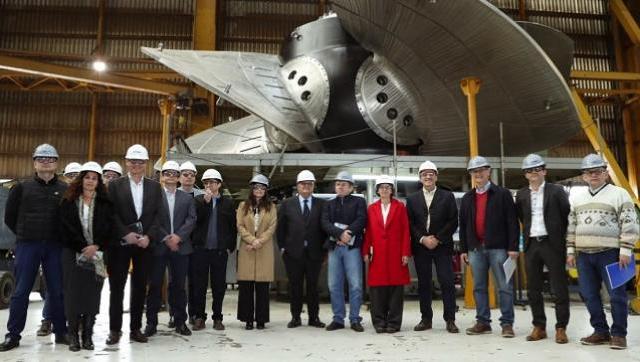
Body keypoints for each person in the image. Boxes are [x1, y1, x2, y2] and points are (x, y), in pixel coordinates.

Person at [566, 154, 639, 350]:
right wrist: (571, 250)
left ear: (606, 173)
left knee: (617, 295)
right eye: (589, 172)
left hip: (612, 253)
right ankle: (600, 331)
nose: (594, 175)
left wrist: (626, 249)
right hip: (584, 255)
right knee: (589, 295)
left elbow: (630, 222)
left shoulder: (619, 194)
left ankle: (619, 334)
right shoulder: (577, 198)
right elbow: (571, 225)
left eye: (598, 171)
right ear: (584, 176)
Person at [1, 144, 68, 352]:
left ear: (56, 163)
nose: (45, 162)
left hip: (54, 247)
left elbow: (67, 220)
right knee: (20, 292)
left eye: (50, 159)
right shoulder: (21, 188)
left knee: (57, 291)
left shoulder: (65, 190)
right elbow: (10, 217)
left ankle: (61, 332)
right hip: (28, 245)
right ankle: (13, 335)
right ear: (34, 163)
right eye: (41, 159)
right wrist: (25, 234)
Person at [106, 144, 164, 344]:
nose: (136, 165)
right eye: (133, 161)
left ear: (146, 164)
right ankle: (114, 330)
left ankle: (135, 329)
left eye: (140, 162)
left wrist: (149, 236)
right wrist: (126, 234)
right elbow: (110, 214)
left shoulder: (155, 187)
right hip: (121, 245)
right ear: (127, 162)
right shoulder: (114, 185)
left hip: (145, 246)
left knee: (140, 287)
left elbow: (159, 216)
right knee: (117, 287)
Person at [459, 156, 519, 338]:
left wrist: (513, 247)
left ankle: (507, 323)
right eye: (474, 171)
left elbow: (512, 222)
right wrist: (463, 249)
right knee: (479, 287)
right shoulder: (468, 198)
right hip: (475, 249)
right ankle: (483, 322)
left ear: (488, 172)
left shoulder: (502, 194)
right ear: (471, 174)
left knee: (505, 286)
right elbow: (464, 225)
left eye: (481, 170)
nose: (478, 174)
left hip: (499, 248)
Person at [515, 154, 571, 344]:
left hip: (552, 244)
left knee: (559, 287)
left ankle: (561, 328)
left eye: (537, 169)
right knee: (533, 288)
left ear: (544, 171)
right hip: (532, 244)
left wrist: (560, 238)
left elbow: (566, 216)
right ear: (525, 174)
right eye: (529, 170)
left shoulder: (557, 191)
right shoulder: (521, 194)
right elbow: (522, 218)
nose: (533, 173)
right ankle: (539, 326)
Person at [59, 161, 113, 351]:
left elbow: (109, 228)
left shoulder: (106, 203)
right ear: (81, 180)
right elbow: (65, 227)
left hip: (97, 255)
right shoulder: (68, 200)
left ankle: (88, 336)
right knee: (73, 295)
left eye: (94, 178)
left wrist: (96, 246)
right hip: (72, 254)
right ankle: (73, 335)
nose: (90, 181)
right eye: (87, 177)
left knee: (92, 296)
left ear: (99, 181)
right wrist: (83, 246)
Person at [406, 161, 460, 333]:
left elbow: (453, 221)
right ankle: (426, 319)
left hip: (442, 246)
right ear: (420, 177)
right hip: (421, 247)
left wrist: (437, 238)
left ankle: (450, 319)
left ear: (436, 176)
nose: (428, 176)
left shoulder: (447, 196)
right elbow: (410, 223)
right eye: (424, 174)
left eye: (431, 173)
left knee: (447, 282)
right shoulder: (412, 199)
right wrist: (422, 238)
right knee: (424, 284)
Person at [144, 161, 196, 337]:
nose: (171, 176)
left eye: (174, 173)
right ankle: (151, 323)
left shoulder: (187, 198)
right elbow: (152, 219)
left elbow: (191, 220)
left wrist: (178, 237)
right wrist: (167, 237)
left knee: (179, 286)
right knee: (155, 285)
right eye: (167, 173)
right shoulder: (155, 197)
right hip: (159, 247)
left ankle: (180, 321)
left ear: (179, 177)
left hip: (181, 248)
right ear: (162, 176)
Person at [276, 170, 327, 329]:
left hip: (315, 253)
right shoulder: (287, 204)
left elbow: (325, 229)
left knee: (313, 287)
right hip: (293, 254)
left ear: (313, 186)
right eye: (303, 184)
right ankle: (295, 318)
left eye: (309, 184)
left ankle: (314, 318)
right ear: (297, 186)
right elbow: (281, 229)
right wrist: (283, 248)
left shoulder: (321, 205)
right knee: (295, 286)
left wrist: (324, 251)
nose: (306, 186)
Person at [362, 175, 411, 333]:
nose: (384, 190)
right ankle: (379, 322)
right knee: (377, 290)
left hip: (396, 253)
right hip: (378, 254)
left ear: (392, 190)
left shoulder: (400, 207)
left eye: (387, 187)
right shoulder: (371, 208)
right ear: (377, 190)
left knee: (396, 290)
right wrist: (365, 251)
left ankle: (394, 323)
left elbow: (405, 231)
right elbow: (368, 232)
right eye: (381, 187)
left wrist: (405, 252)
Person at [191, 169, 237, 331]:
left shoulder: (228, 203)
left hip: (219, 251)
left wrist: (230, 246)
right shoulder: (197, 200)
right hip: (200, 250)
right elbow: (196, 221)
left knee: (219, 286)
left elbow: (232, 227)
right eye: (206, 182)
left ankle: (217, 317)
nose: (209, 185)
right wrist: (205, 202)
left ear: (219, 184)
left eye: (212, 182)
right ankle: (199, 317)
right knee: (199, 286)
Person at [321, 171, 367, 332]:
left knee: (355, 285)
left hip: (352, 248)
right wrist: (339, 234)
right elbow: (325, 222)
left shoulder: (359, 202)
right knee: (334, 285)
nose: (340, 186)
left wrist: (348, 233)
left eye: (344, 184)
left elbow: (361, 219)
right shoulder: (328, 203)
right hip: (335, 248)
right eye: (338, 184)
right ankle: (338, 319)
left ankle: (355, 319)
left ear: (351, 187)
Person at [236, 174, 277, 330]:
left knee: (262, 287)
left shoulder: (271, 207)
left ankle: (261, 319)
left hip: (264, 249)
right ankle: (247, 319)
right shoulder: (243, 206)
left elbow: (272, 227)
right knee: (246, 286)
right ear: (252, 189)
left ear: (266, 190)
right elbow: (240, 226)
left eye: (262, 188)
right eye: (256, 187)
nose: (259, 190)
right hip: (247, 249)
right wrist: (252, 240)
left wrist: (259, 241)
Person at [178, 160, 204, 327]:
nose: (188, 177)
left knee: (196, 281)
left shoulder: (202, 195)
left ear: (195, 177)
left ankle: (194, 314)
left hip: (197, 245)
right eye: (185, 174)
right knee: (177, 282)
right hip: (178, 244)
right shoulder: (172, 193)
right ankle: (177, 314)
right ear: (180, 177)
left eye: (191, 175)